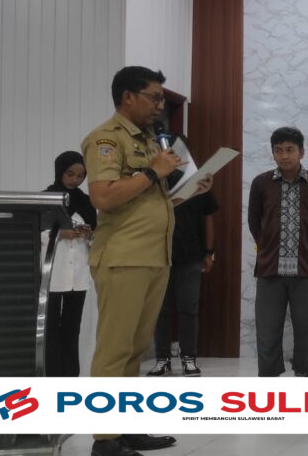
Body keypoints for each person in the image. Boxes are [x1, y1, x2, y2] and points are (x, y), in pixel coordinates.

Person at [82, 65, 211, 456]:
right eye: (154, 97)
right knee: (114, 349)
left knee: (136, 349)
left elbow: (151, 201)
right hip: (123, 257)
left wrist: (191, 191)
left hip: (154, 257)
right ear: (128, 97)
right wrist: (154, 172)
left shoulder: (152, 141)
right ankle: (105, 441)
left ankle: (127, 428)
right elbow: (103, 196)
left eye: (161, 99)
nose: (159, 105)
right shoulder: (106, 139)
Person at [248, 126, 308, 378]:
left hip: (306, 270)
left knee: (307, 330)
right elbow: (254, 222)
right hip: (269, 270)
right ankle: (269, 376)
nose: (284, 155)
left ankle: (304, 375)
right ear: (273, 153)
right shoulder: (261, 183)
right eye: (279, 150)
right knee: (267, 330)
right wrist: (268, 248)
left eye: (290, 150)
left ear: (301, 152)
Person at [146, 167, 218, 377]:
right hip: (158, 255)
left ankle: (189, 358)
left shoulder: (198, 181)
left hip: (191, 255)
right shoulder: (151, 181)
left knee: (189, 309)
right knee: (161, 310)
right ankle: (162, 358)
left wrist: (209, 252)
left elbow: (209, 217)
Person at [42, 151, 96, 377]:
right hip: (53, 273)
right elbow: (35, 232)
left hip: (79, 274)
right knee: (51, 329)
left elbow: (97, 233)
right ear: (60, 171)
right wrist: (59, 235)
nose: (75, 180)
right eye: (70, 174)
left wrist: (89, 235)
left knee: (73, 328)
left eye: (81, 176)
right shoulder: (46, 199)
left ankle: (71, 375)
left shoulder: (87, 202)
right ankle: (53, 375)